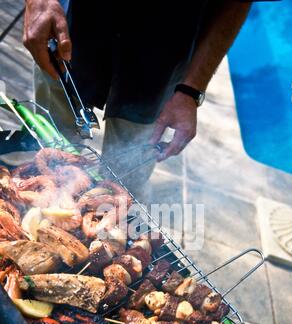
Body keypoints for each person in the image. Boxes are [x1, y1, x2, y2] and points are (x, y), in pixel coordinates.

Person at [23, 0, 259, 196]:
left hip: (161, 65)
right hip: (71, 39)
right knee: (48, 151)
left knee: (123, 186)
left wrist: (191, 89)